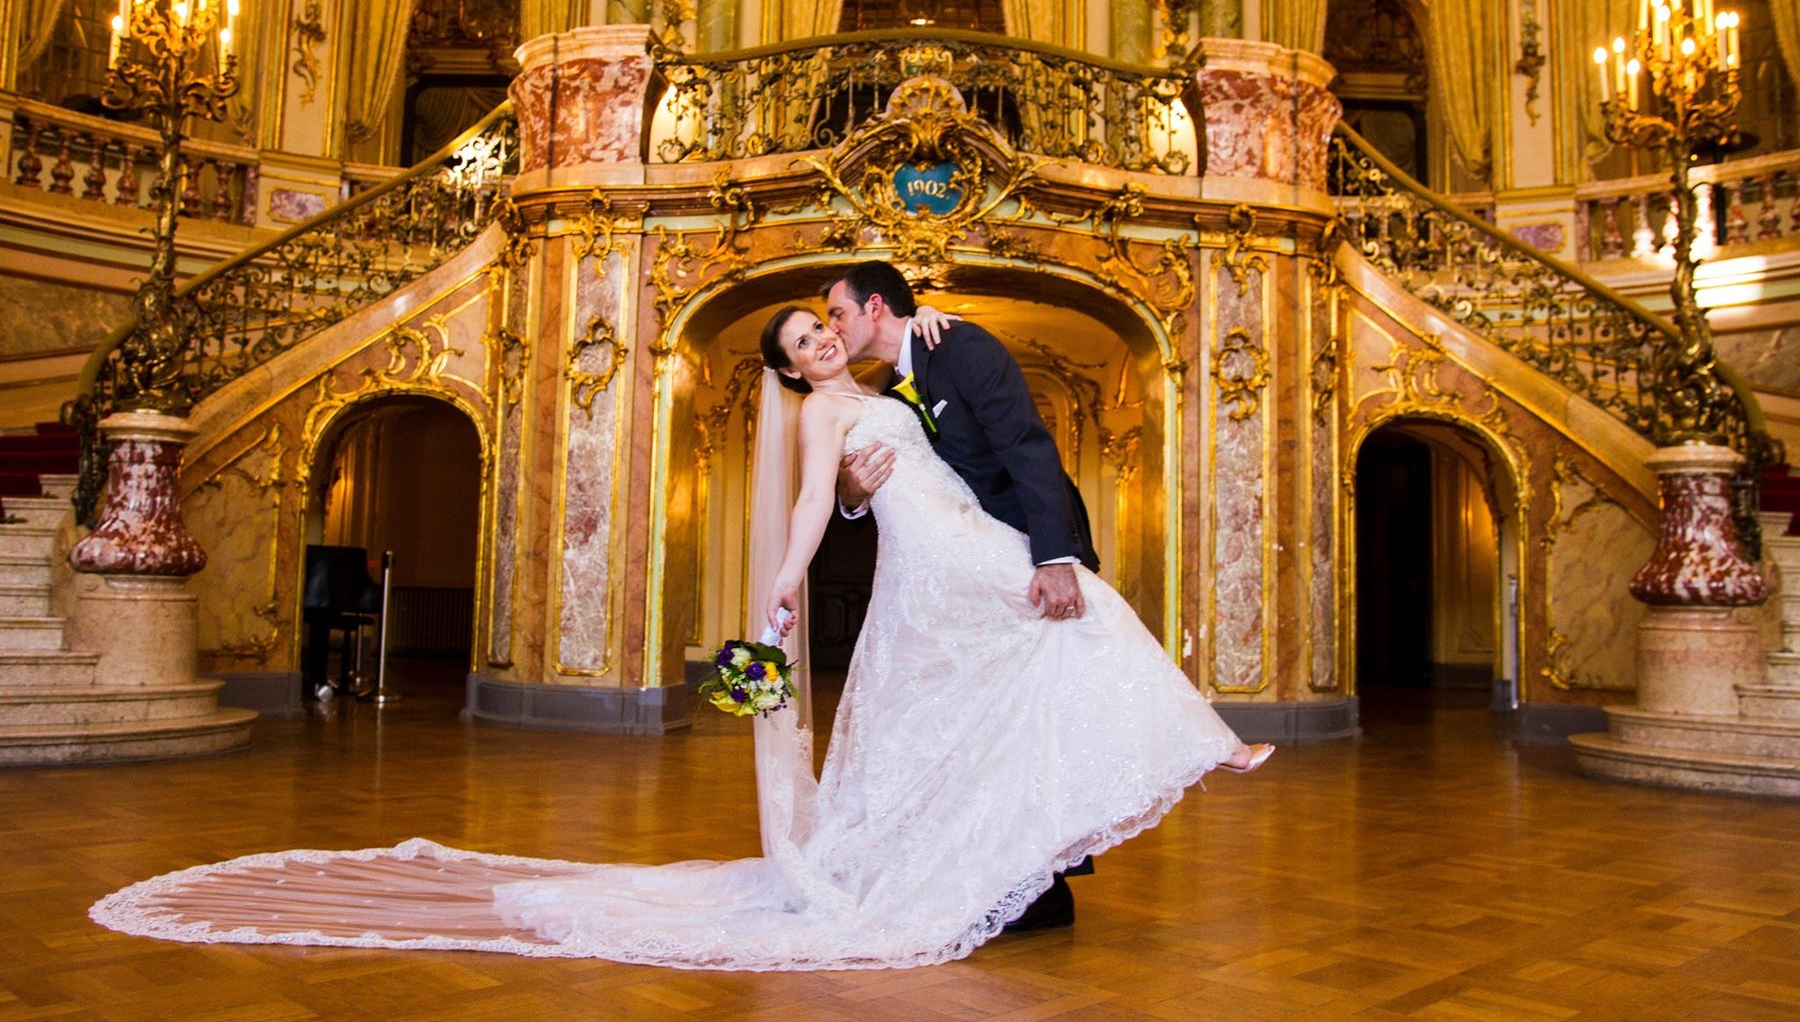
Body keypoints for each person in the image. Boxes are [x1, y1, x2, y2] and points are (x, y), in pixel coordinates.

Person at [88, 301, 1270, 972]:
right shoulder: (824, 409)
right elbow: (818, 502)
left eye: (826, 330)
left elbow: (943, 448)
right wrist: (788, 585)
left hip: (952, 540)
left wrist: (903, 385)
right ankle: (1197, 745)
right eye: (802, 342)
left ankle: (1015, 842)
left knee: (1014, 658)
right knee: (1062, 617)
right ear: (788, 368)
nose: (819, 345)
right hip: (941, 556)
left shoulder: (898, 386)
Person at [824, 261, 1101, 928]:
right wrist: (854, 493)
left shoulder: (964, 348)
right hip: (971, 579)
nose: (832, 327)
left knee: (1037, 723)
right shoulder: (888, 388)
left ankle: (1044, 887)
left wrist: (1054, 558)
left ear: (877, 308)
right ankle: (1012, 882)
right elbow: (892, 482)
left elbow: (1027, 448)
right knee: (987, 725)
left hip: (1032, 556)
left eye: (837, 313)